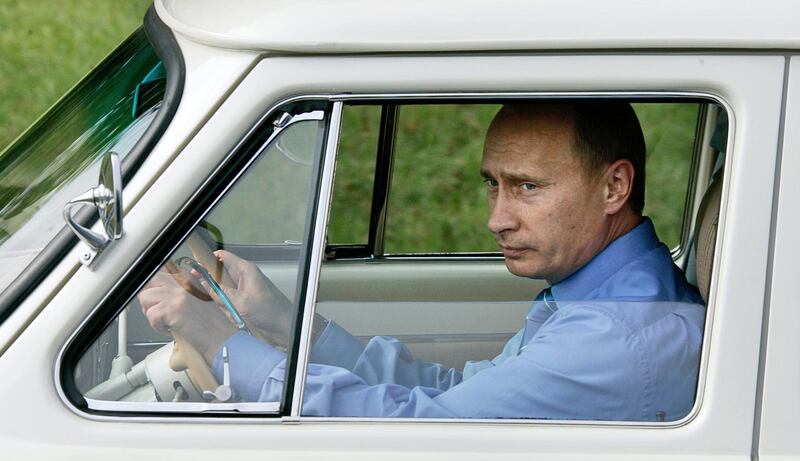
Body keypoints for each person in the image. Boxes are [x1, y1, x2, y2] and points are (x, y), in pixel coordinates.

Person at [139, 102, 705, 421]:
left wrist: (224, 347)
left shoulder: (616, 336)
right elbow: (457, 395)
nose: (497, 219)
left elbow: (424, 430)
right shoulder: (601, 293)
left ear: (614, 187)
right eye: (493, 185)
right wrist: (284, 325)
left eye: (528, 187)